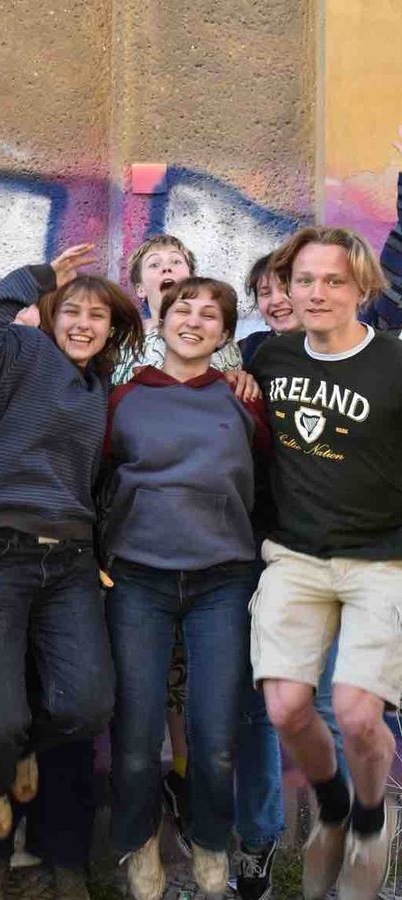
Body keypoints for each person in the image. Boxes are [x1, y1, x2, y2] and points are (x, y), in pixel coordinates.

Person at [0, 245, 142, 898]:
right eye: (72, 312)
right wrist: (38, 278)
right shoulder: (22, 355)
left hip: (69, 563)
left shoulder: (103, 388)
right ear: (52, 317)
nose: (84, 324)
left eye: (97, 316)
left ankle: (25, 752)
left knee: (88, 704)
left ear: (111, 330)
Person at [103, 277, 269, 900]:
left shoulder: (241, 398)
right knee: (136, 736)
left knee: (216, 737)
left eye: (209, 315)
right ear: (161, 318)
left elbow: (271, 480)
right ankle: (139, 841)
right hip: (137, 579)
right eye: (183, 309)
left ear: (224, 334)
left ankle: (210, 841)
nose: (193, 321)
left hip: (223, 579)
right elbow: (96, 478)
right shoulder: (125, 398)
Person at [248, 225, 402, 900]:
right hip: (295, 555)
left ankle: (371, 820)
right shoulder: (270, 357)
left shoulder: (394, 361)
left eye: (333, 280)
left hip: (381, 560)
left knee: (360, 714)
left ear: (361, 287)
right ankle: (334, 807)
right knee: (286, 708)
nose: (315, 293)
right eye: (303, 280)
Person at [112, 234, 242, 385]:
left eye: (176, 261)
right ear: (140, 289)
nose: (167, 268)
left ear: (192, 279)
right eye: (154, 264)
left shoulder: (217, 337)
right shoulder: (124, 339)